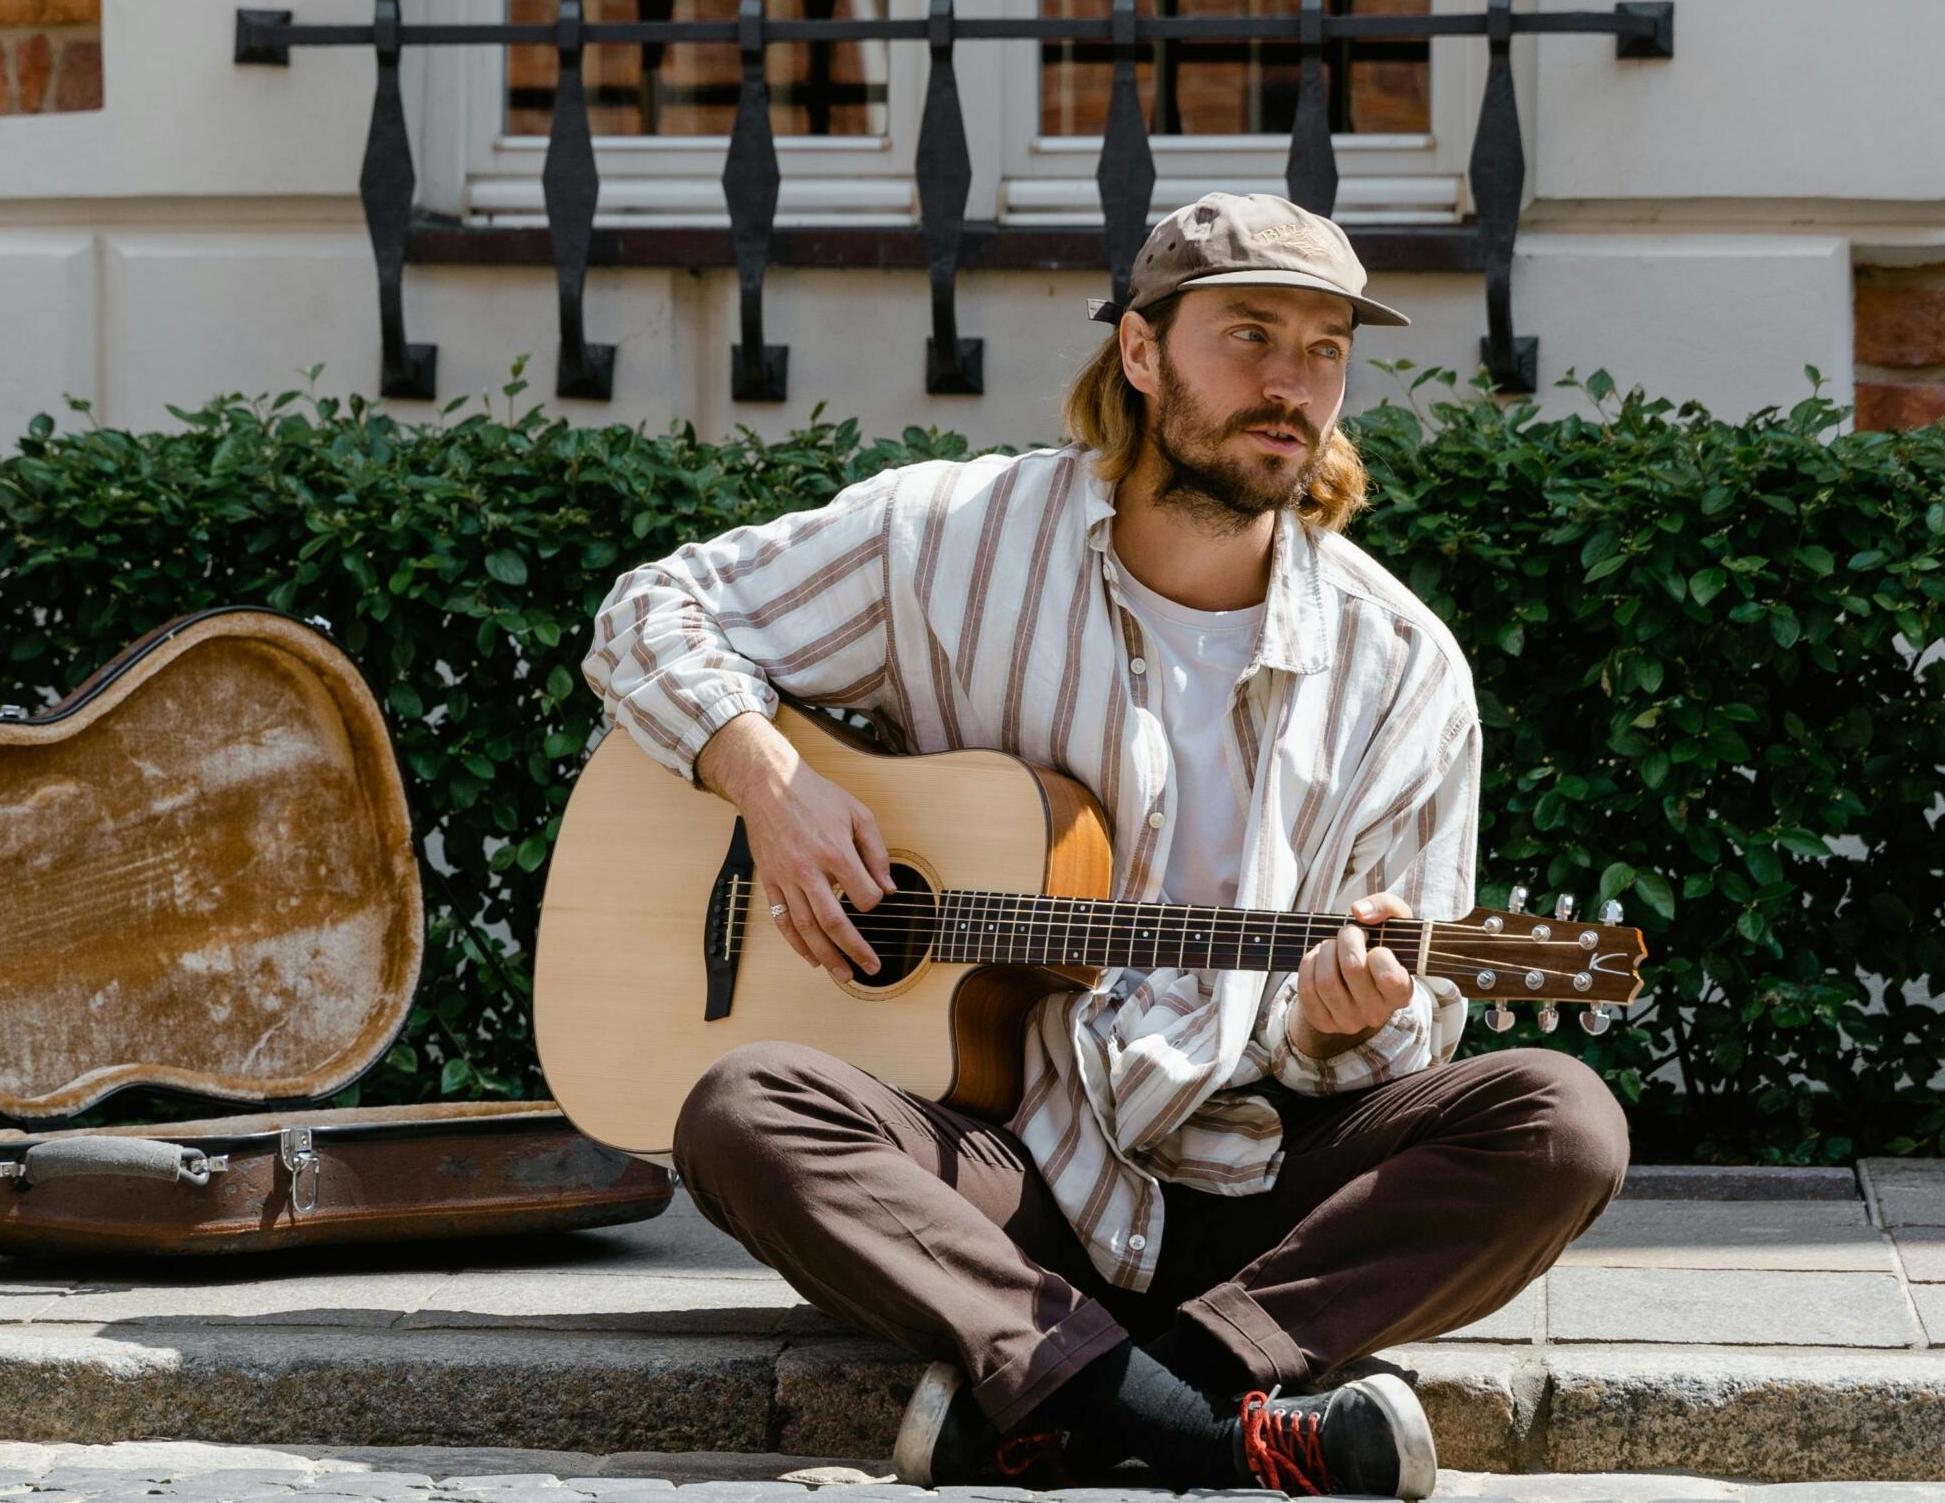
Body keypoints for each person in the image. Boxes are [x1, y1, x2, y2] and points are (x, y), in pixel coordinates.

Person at [577, 193, 1631, 1499]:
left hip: (1259, 1184)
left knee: (1563, 1122)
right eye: (1248, 335)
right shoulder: (948, 541)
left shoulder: (1400, 667)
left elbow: (1411, 1033)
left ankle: (1077, 1386)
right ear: (1139, 351)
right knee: (744, 1111)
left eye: (1321, 348)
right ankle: (1204, 1423)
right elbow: (652, 613)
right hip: (1007, 1165)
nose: (1289, 382)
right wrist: (770, 779)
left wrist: (1337, 1024)